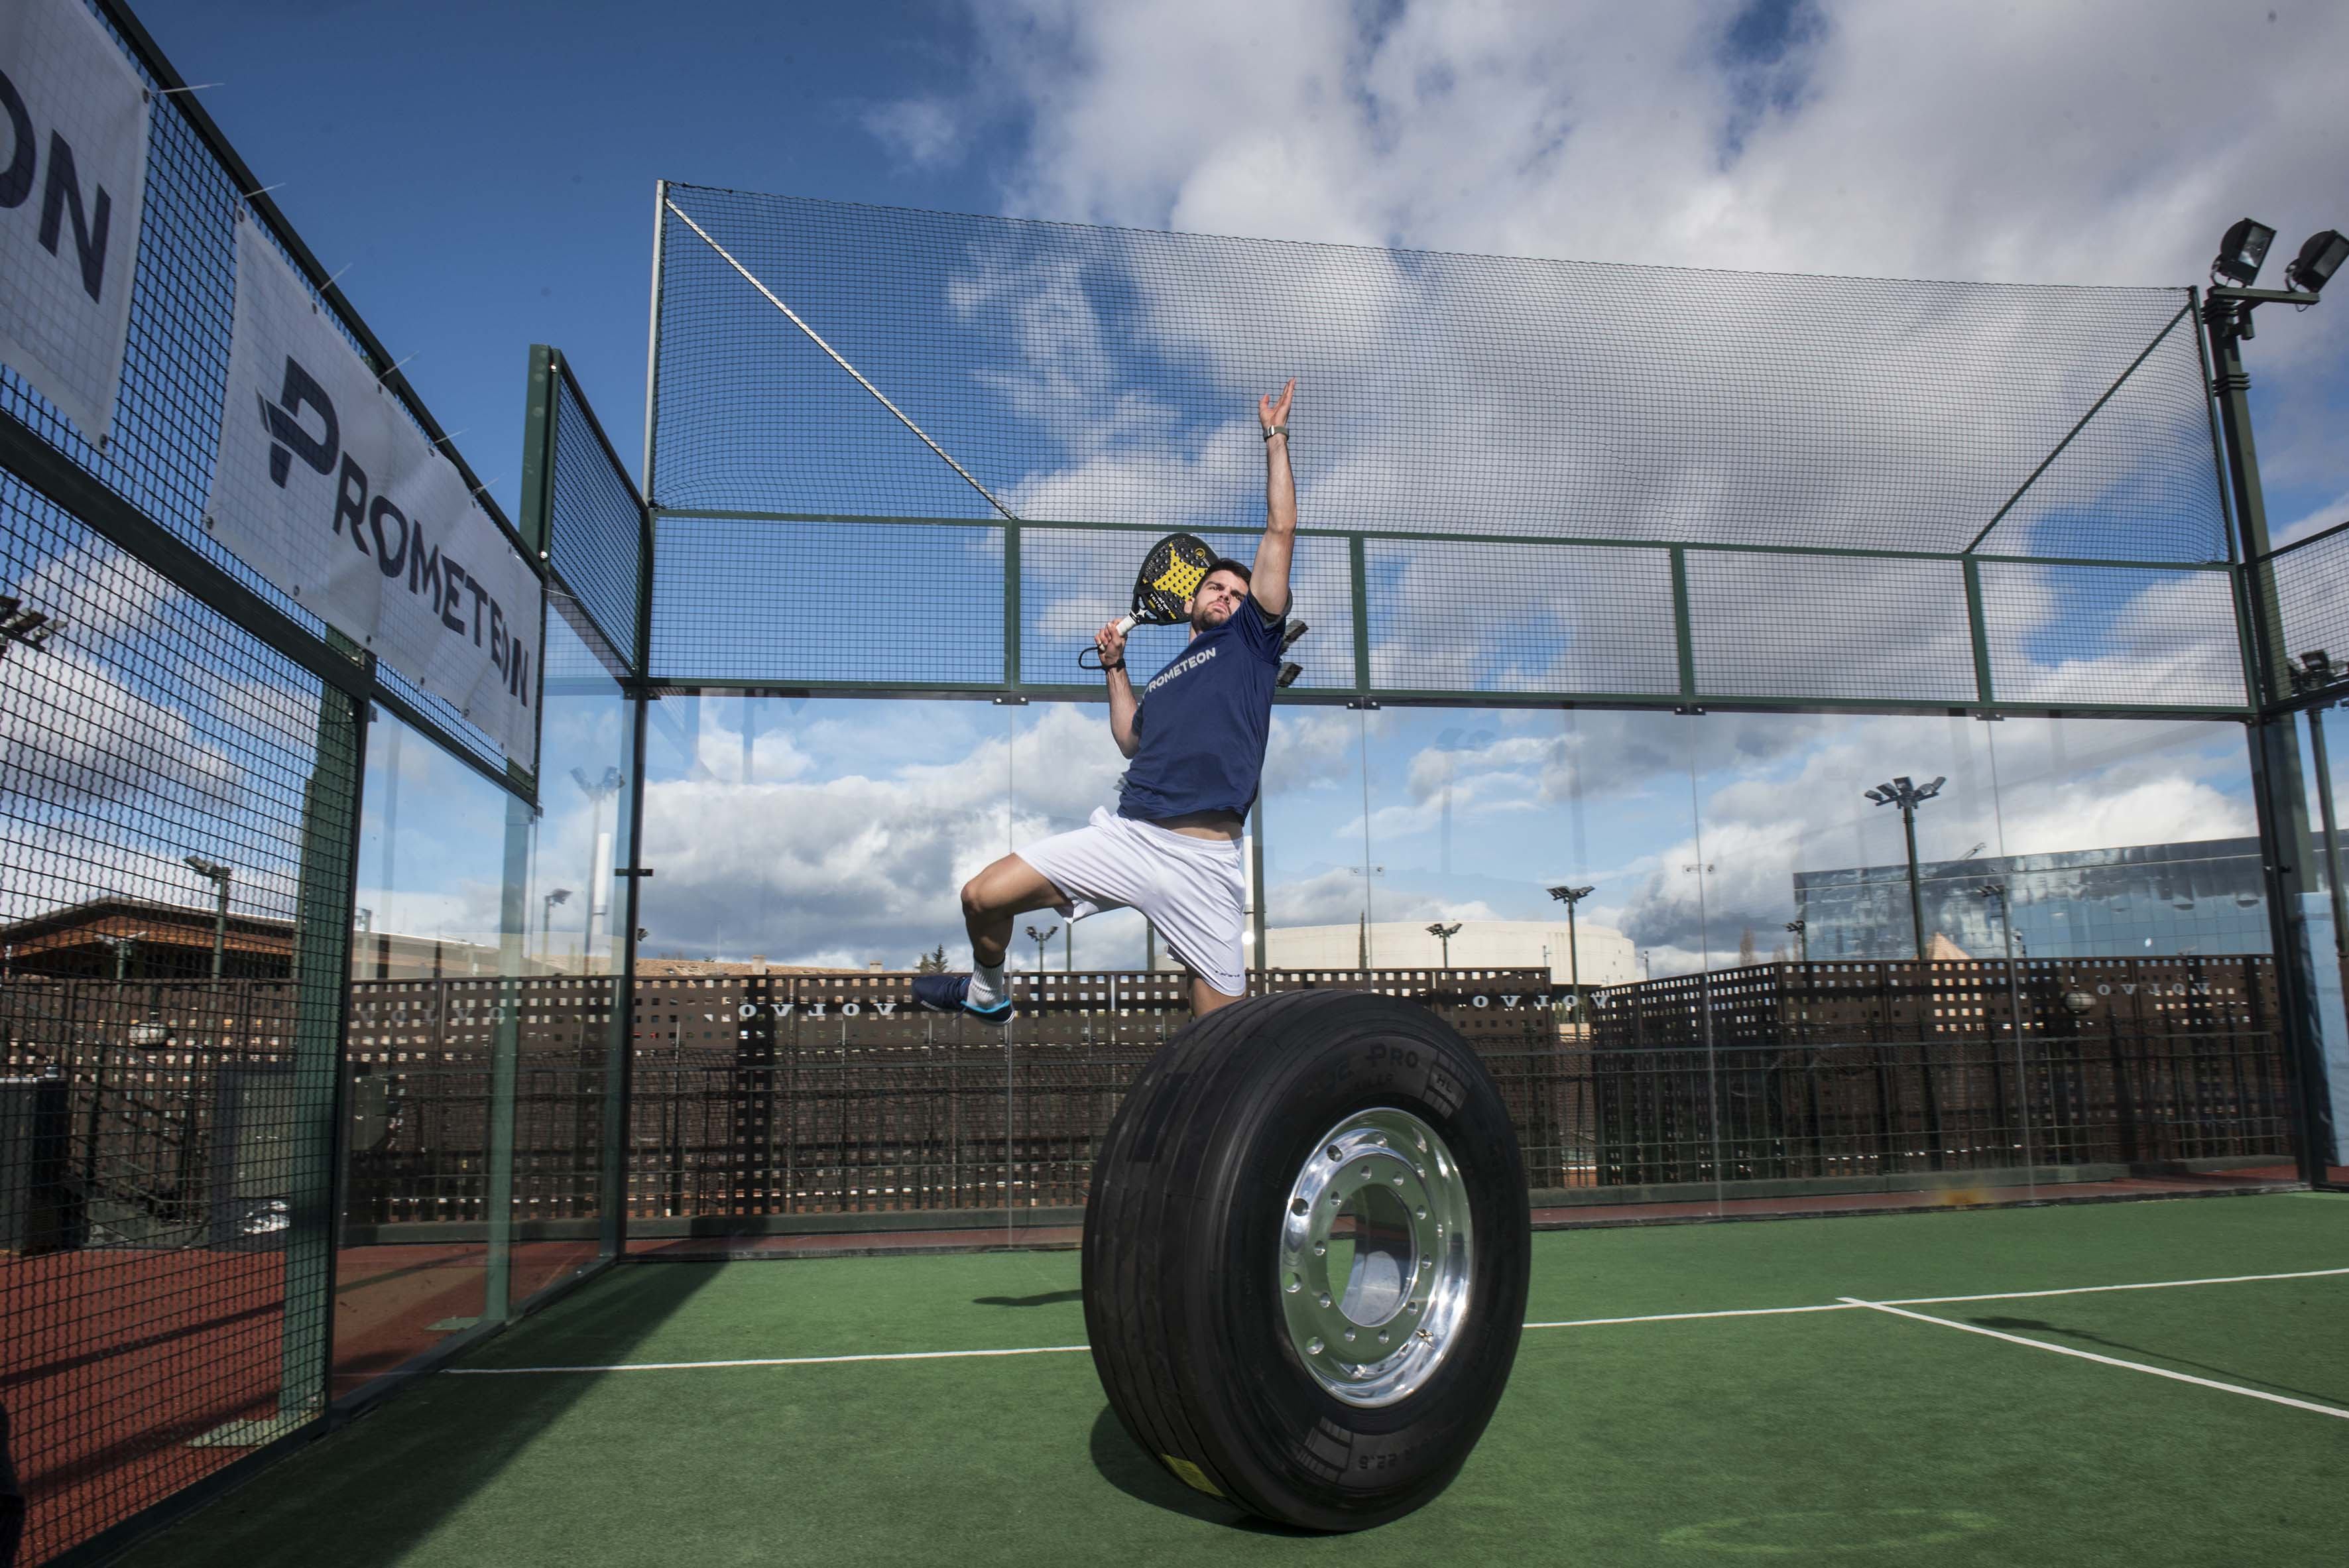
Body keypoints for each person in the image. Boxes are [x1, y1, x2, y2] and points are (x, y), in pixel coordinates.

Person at [914, 379, 1297, 1022]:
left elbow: (1280, 528)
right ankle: (987, 992)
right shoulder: (1173, 673)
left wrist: (1275, 437)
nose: (1228, 596)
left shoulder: (1252, 642)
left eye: (1238, 589)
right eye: (1216, 588)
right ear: (1188, 603)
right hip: (1127, 836)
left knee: (1223, 1049)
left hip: (1204, 863)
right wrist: (1116, 668)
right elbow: (1131, 740)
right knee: (981, 895)